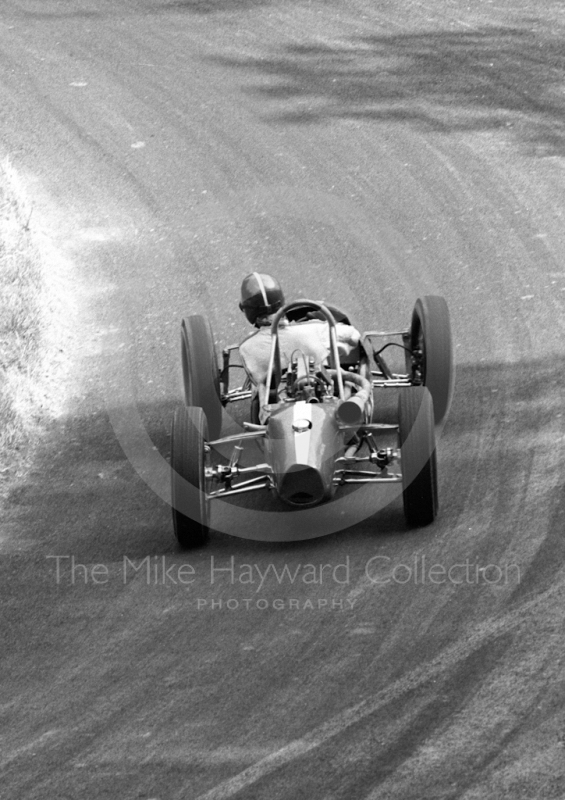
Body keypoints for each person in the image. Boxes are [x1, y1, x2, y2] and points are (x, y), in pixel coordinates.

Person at [238, 272, 360, 419]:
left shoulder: (247, 348)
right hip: (326, 405)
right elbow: (354, 336)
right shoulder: (315, 329)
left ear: (247, 311)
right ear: (281, 301)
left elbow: (257, 381)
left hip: (282, 416)